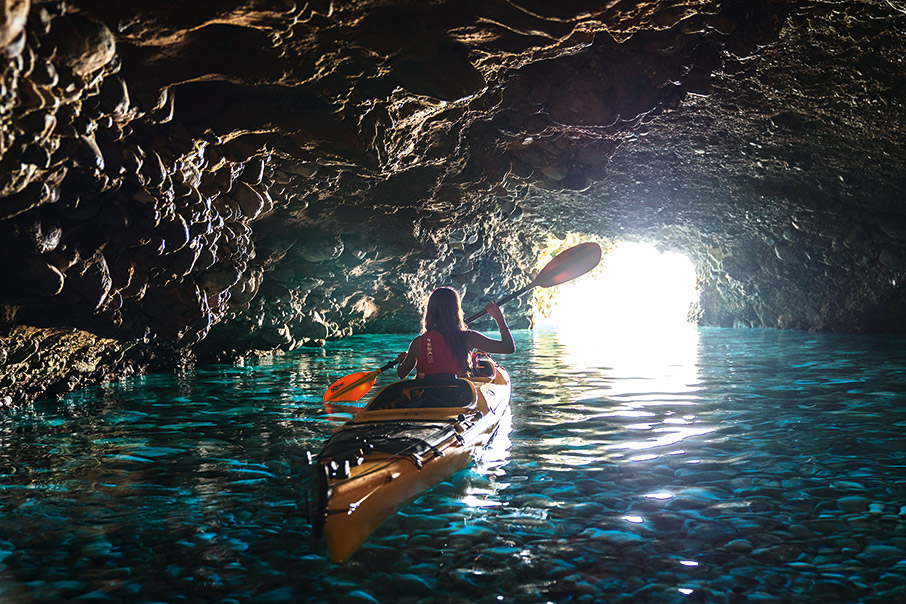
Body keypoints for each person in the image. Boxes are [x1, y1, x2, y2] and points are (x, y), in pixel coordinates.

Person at [396, 287, 515, 379]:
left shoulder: (418, 343)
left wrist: (405, 359)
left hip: (427, 397)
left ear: (430, 311)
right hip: (459, 397)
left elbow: (401, 374)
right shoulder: (469, 337)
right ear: (456, 310)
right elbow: (508, 348)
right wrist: (499, 318)